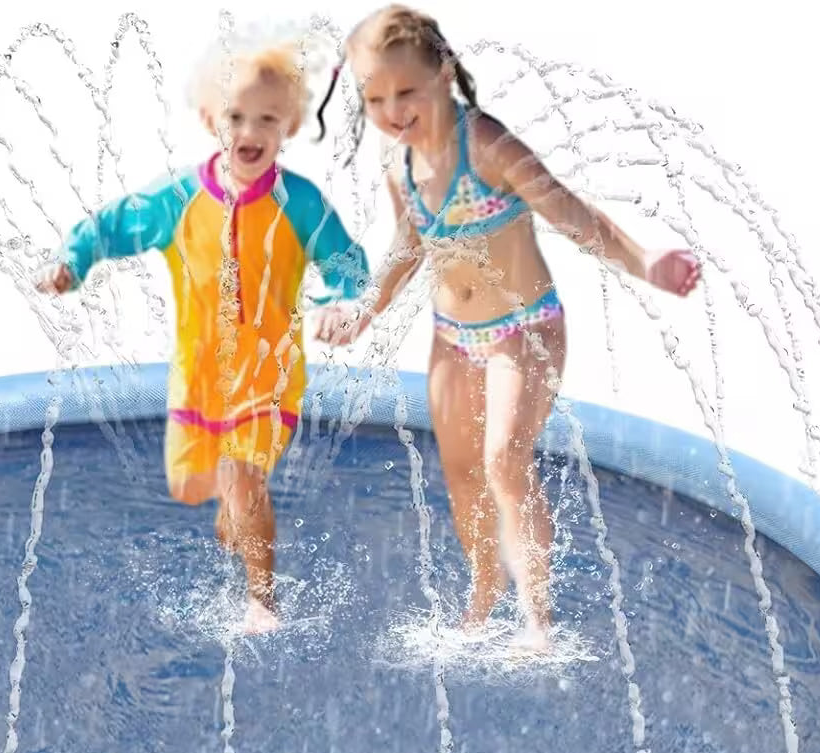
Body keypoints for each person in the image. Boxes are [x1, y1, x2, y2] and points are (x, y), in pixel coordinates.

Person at [312, 4, 699, 649]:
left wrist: (644, 262)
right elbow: (408, 247)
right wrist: (362, 310)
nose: (392, 109)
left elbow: (569, 211)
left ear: (444, 74)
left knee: (505, 463)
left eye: (406, 90)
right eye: (374, 97)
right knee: (464, 475)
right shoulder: (398, 167)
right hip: (450, 337)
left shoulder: (484, 144)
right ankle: (483, 598)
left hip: (523, 330)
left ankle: (538, 621)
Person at [38, 34, 369, 634]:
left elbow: (347, 264)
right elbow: (114, 225)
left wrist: (336, 304)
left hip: (269, 379)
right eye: (236, 116)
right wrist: (73, 261)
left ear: (289, 126)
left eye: (267, 118)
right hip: (197, 382)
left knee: (243, 480)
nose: (250, 130)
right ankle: (238, 510)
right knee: (194, 486)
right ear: (210, 119)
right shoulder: (181, 199)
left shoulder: (299, 203)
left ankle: (262, 603)